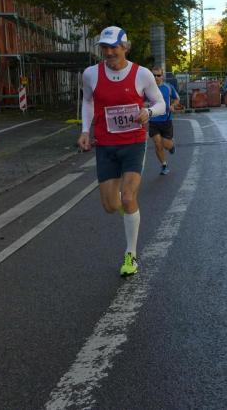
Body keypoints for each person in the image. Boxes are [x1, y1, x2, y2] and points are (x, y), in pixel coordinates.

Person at [77, 26, 165, 276]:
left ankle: (131, 255)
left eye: (114, 47)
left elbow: (160, 103)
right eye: (104, 48)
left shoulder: (142, 74)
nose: (109, 53)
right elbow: (87, 101)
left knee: (127, 198)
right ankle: (125, 203)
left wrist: (148, 112)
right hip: (106, 145)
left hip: (133, 142)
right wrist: (85, 131)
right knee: (110, 205)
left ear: (125, 47)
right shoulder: (91, 74)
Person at [148, 67, 180, 175]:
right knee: (157, 143)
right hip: (153, 120)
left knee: (166, 144)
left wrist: (173, 105)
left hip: (166, 120)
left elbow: (177, 99)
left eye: (158, 75)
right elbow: (141, 100)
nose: (156, 77)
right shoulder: (147, 88)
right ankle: (164, 165)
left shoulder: (168, 87)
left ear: (162, 76)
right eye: (154, 75)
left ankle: (171, 146)